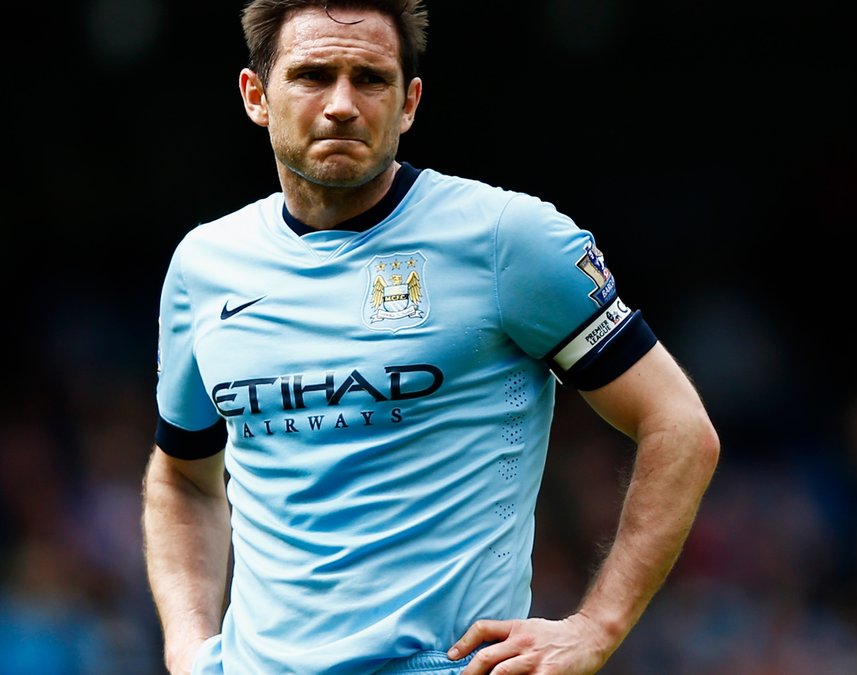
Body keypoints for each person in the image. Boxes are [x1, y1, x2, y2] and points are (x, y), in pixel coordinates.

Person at [139, 1, 720, 673]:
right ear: (255, 96)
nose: (341, 105)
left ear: (409, 102)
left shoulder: (507, 239)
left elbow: (679, 425)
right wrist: (188, 650)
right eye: (312, 75)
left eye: (371, 79)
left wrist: (597, 626)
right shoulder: (205, 264)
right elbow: (183, 476)